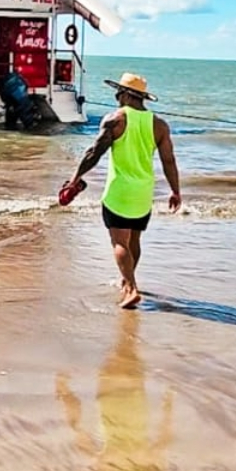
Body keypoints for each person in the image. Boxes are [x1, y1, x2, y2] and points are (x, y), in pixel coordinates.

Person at [61, 71, 181, 308]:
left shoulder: (115, 120)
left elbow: (94, 153)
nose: (116, 96)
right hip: (143, 192)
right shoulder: (159, 125)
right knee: (134, 239)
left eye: (118, 92)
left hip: (119, 191)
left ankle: (131, 288)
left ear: (126, 94)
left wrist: (75, 178)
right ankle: (127, 281)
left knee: (119, 242)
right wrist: (175, 191)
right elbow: (169, 160)